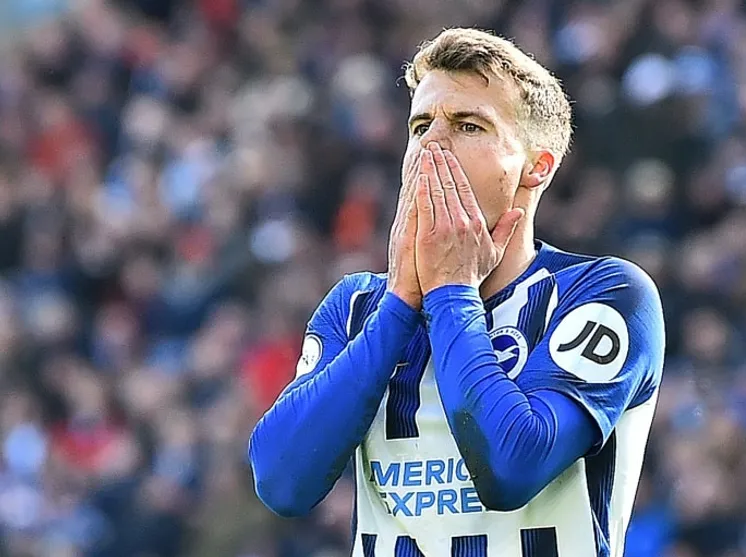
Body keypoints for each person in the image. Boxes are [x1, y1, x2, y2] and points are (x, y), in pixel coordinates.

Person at [248, 27, 665, 557]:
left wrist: (450, 289)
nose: (432, 144)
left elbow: (513, 467)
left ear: (536, 166)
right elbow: (281, 483)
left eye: (469, 125)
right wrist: (399, 304)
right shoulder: (356, 307)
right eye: (421, 126)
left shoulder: (604, 294)